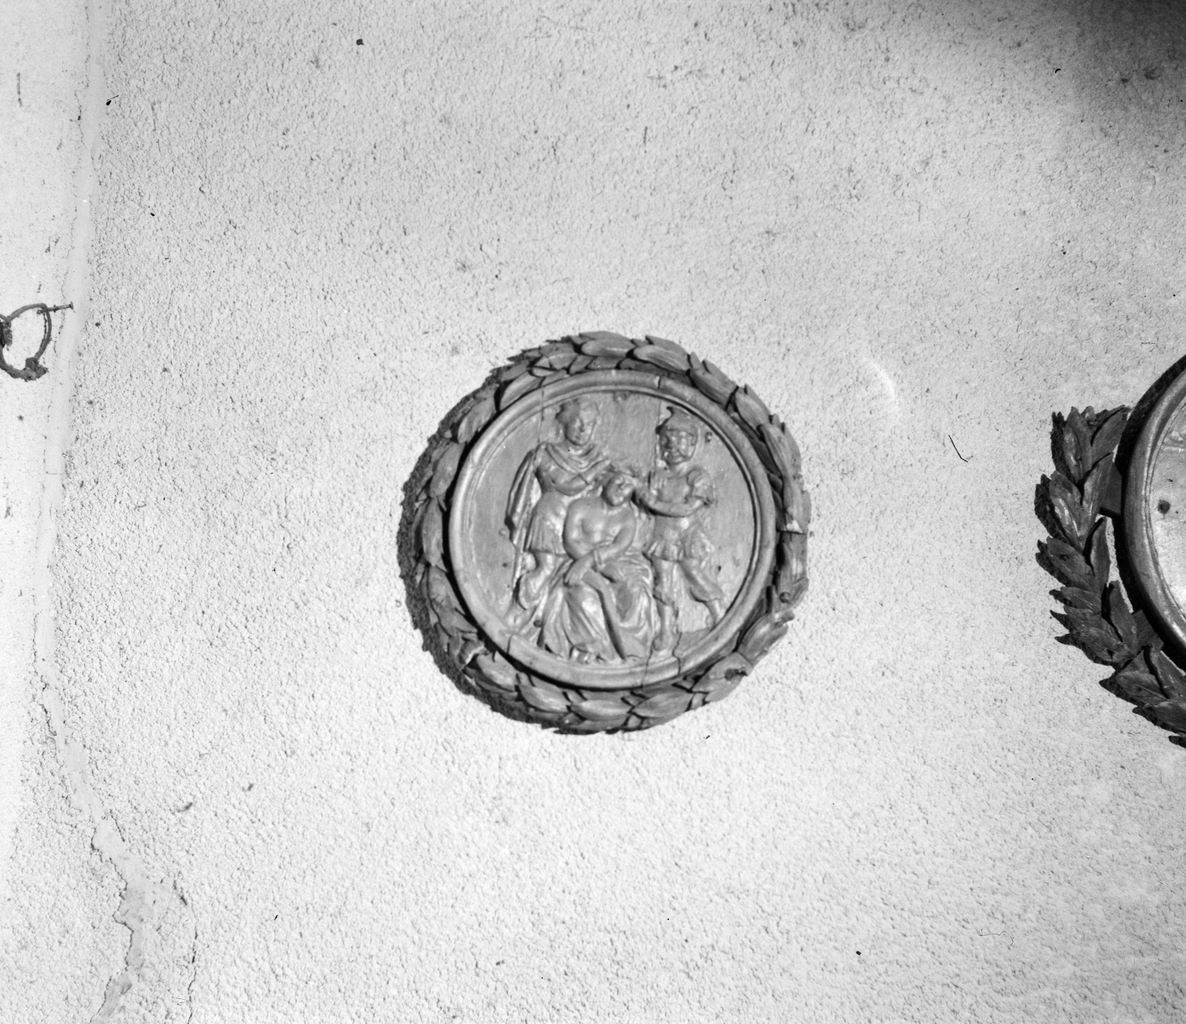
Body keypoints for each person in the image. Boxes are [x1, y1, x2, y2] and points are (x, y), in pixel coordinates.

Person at [505, 397, 610, 627]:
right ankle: (513, 617)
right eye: (577, 422)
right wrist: (595, 471)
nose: (583, 429)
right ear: (564, 422)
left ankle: (551, 627)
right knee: (546, 569)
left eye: (589, 424)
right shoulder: (547, 453)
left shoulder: (597, 457)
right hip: (550, 521)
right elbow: (565, 486)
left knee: (571, 579)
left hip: (580, 529)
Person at [538, 469, 657, 663]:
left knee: (637, 591)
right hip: (576, 559)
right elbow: (570, 541)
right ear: (606, 481)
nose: (621, 488)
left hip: (613, 561)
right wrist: (596, 566)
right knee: (583, 596)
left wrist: (593, 561)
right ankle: (595, 647)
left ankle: (632, 648)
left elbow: (619, 547)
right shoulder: (580, 506)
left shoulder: (627, 518)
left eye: (628, 486)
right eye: (618, 481)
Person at [636, 409, 726, 654]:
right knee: (662, 582)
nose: (671, 446)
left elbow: (687, 508)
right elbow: (645, 502)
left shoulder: (696, 477)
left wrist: (653, 503)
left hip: (687, 537)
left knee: (695, 575)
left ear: (692, 443)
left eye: (679, 441)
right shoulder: (659, 475)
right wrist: (642, 495)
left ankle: (719, 614)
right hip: (662, 536)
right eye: (666, 440)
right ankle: (667, 629)